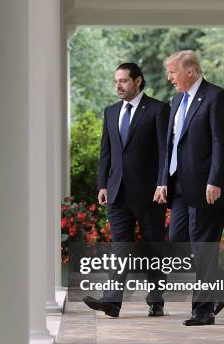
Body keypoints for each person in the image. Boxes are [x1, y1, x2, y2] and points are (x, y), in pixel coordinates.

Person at [155, 50, 224, 326]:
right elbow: (170, 145)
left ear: (190, 71)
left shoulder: (216, 97)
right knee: (179, 241)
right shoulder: (177, 99)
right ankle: (220, 278)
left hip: (206, 187)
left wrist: (215, 180)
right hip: (178, 185)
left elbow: (221, 143)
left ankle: (202, 310)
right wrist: (162, 180)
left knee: (204, 246)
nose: (170, 78)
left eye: (173, 72)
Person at [83, 62, 170, 318]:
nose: (118, 86)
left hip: (149, 193)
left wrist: (162, 183)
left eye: (123, 81)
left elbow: (166, 151)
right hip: (117, 192)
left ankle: (156, 299)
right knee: (120, 245)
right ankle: (112, 301)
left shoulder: (158, 109)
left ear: (138, 81)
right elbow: (106, 152)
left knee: (153, 246)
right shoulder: (110, 112)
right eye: (116, 81)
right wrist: (102, 184)